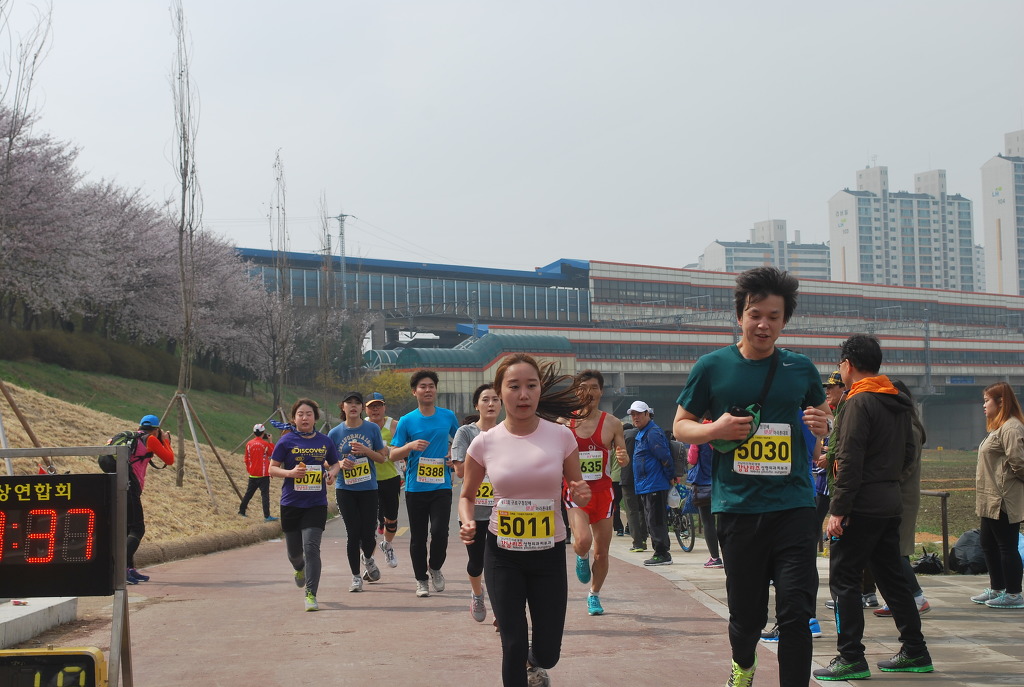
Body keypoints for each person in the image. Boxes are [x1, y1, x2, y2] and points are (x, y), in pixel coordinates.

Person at [673, 266, 832, 687]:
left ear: (785, 320)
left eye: (773, 317)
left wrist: (824, 424)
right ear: (739, 316)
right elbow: (681, 426)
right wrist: (716, 430)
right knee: (747, 616)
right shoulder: (712, 367)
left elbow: (824, 415)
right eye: (755, 315)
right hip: (739, 508)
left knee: (796, 611)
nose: (764, 325)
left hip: (794, 505)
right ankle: (743, 665)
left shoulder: (800, 367)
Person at [458, 353, 592, 687]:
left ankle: (536, 662)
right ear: (500, 392)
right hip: (502, 555)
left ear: (539, 390)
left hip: (548, 554)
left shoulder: (561, 437)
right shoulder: (484, 442)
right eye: (514, 386)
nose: (523, 394)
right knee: (513, 643)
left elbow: (574, 491)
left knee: (548, 652)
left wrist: (581, 504)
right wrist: (467, 522)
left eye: (531, 386)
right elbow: (466, 496)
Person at [814, 334, 932, 680]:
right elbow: (909, 452)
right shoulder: (898, 400)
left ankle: (850, 656)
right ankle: (916, 650)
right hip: (889, 503)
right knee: (892, 580)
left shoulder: (858, 401)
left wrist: (838, 510)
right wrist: (887, 480)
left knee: (844, 581)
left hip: (859, 506)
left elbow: (849, 459)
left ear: (848, 364)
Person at [390, 369, 460, 597]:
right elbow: (392, 454)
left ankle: (435, 568)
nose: (428, 390)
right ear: (415, 392)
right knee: (418, 537)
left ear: (435, 390)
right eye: (423, 386)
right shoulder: (407, 421)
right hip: (416, 488)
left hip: (441, 486)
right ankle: (421, 580)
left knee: (440, 533)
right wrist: (410, 446)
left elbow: (461, 441)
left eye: (431, 386)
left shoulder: (447, 416)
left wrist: (453, 456)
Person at [564, 369, 627, 616]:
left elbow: (623, 458)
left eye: (593, 387)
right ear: (575, 392)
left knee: (601, 553)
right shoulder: (563, 423)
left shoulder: (613, 423)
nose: (588, 392)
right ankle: (581, 555)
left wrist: (622, 457)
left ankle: (594, 594)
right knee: (583, 541)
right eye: (583, 388)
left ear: (601, 391)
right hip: (576, 492)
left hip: (603, 493)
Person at [269, 399, 341, 612]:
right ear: (294, 418)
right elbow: (272, 469)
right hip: (291, 503)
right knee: (294, 554)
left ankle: (311, 594)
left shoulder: (324, 441)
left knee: (311, 548)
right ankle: (299, 567)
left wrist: (332, 474)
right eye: (300, 414)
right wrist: (290, 473)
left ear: (315, 418)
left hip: (316, 503)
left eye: (309, 414)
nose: (305, 418)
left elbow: (335, 463)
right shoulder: (286, 441)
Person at [873, 380, 931, 617]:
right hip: (895, 493)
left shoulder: (911, 428)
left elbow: (907, 465)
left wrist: (886, 480)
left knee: (897, 551)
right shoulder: (903, 424)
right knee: (895, 550)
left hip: (902, 496)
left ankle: (917, 598)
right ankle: (899, 598)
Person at [451, 382, 502, 623]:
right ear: (476, 405)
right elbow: (460, 471)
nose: (491, 404)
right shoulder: (466, 433)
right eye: (485, 400)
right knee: (476, 563)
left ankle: (501, 610)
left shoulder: (508, 432)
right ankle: (477, 594)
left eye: (495, 399)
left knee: (500, 564)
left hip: (502, 512)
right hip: (474, 511)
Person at [328, 391, 388, 593]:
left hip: (368, 488)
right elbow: (328, 461)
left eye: (357, 403)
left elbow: (381, 458)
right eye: (349, 403)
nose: (353, 406)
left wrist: (365, 451)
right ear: (343, 407)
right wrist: (340, 463)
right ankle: (355, 577)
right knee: (353, 534)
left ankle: (368, 558)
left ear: (362, 408)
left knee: (368, 534)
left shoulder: (372, 429)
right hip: (345, 489)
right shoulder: (335, 433)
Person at [971, 381, 1024, 609]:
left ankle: (1013, 594)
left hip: (1002, 497)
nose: (984, 405)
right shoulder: (998, 427)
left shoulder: (1011, 428)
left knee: (1006, 546)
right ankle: (997, 588)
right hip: (989, 497)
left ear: (1001, 402)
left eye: (987, 401)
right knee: (988, 543)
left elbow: (1019, 462)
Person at [125, 414, 175, 584]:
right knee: (137, 529)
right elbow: (169, 459)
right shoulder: (150, 439)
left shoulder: (133, 437)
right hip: (131, 488)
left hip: (119, 485)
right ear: (156, 429)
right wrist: (166, 441)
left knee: (127, 530)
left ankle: (129, 569)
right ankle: (120, 570)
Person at [628, 400, 674, 567]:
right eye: (633, 414)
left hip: (655, 484)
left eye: (639, 414)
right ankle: (660, 551)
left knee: (656, 520)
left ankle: (662, 553)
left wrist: (670, 476)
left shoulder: (653, 433)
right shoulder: (642, 432)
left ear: (647, 414)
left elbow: (665, 457)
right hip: (646, 484)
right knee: (651, 519)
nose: (635, 417)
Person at [365, 392, 402, 569]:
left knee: (391, 520)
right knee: (369, 523)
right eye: (371, 406)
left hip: (390, 478)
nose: (375, 410)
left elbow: (403, 449)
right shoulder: (361, 426)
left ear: (384, 407)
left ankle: (387, 545)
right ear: (366, 409)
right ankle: (369, 560)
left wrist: (391, 451)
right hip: (367, 480)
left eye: (378, 406)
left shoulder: (395, 425)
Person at [686, 422, 722, 568]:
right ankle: (730, 556)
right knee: (725, 521)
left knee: (708, 522)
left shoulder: (699, 434)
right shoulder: (724, 430)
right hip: (723, 483)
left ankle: (715, 558)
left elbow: (692, 459)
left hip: (704, 485)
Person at [239, 423, 276, 521]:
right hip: (263, 474)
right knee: (265, 495)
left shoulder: (249, 444)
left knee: (248, 494)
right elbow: (272, 453)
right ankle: (267, 516)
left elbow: (246, 459)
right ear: (263, 433)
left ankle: (241, 511)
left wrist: (249, 469)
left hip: (253, 474)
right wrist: (270, 441)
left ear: (254, 433)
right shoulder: (265, 444)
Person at [620, 423, 648, 552]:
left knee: (632, 511)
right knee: (643, 508)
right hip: (643, 476)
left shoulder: (624, 435)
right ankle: (644, 538)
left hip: (627, 477)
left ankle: (637, 543)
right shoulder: (646, 434)